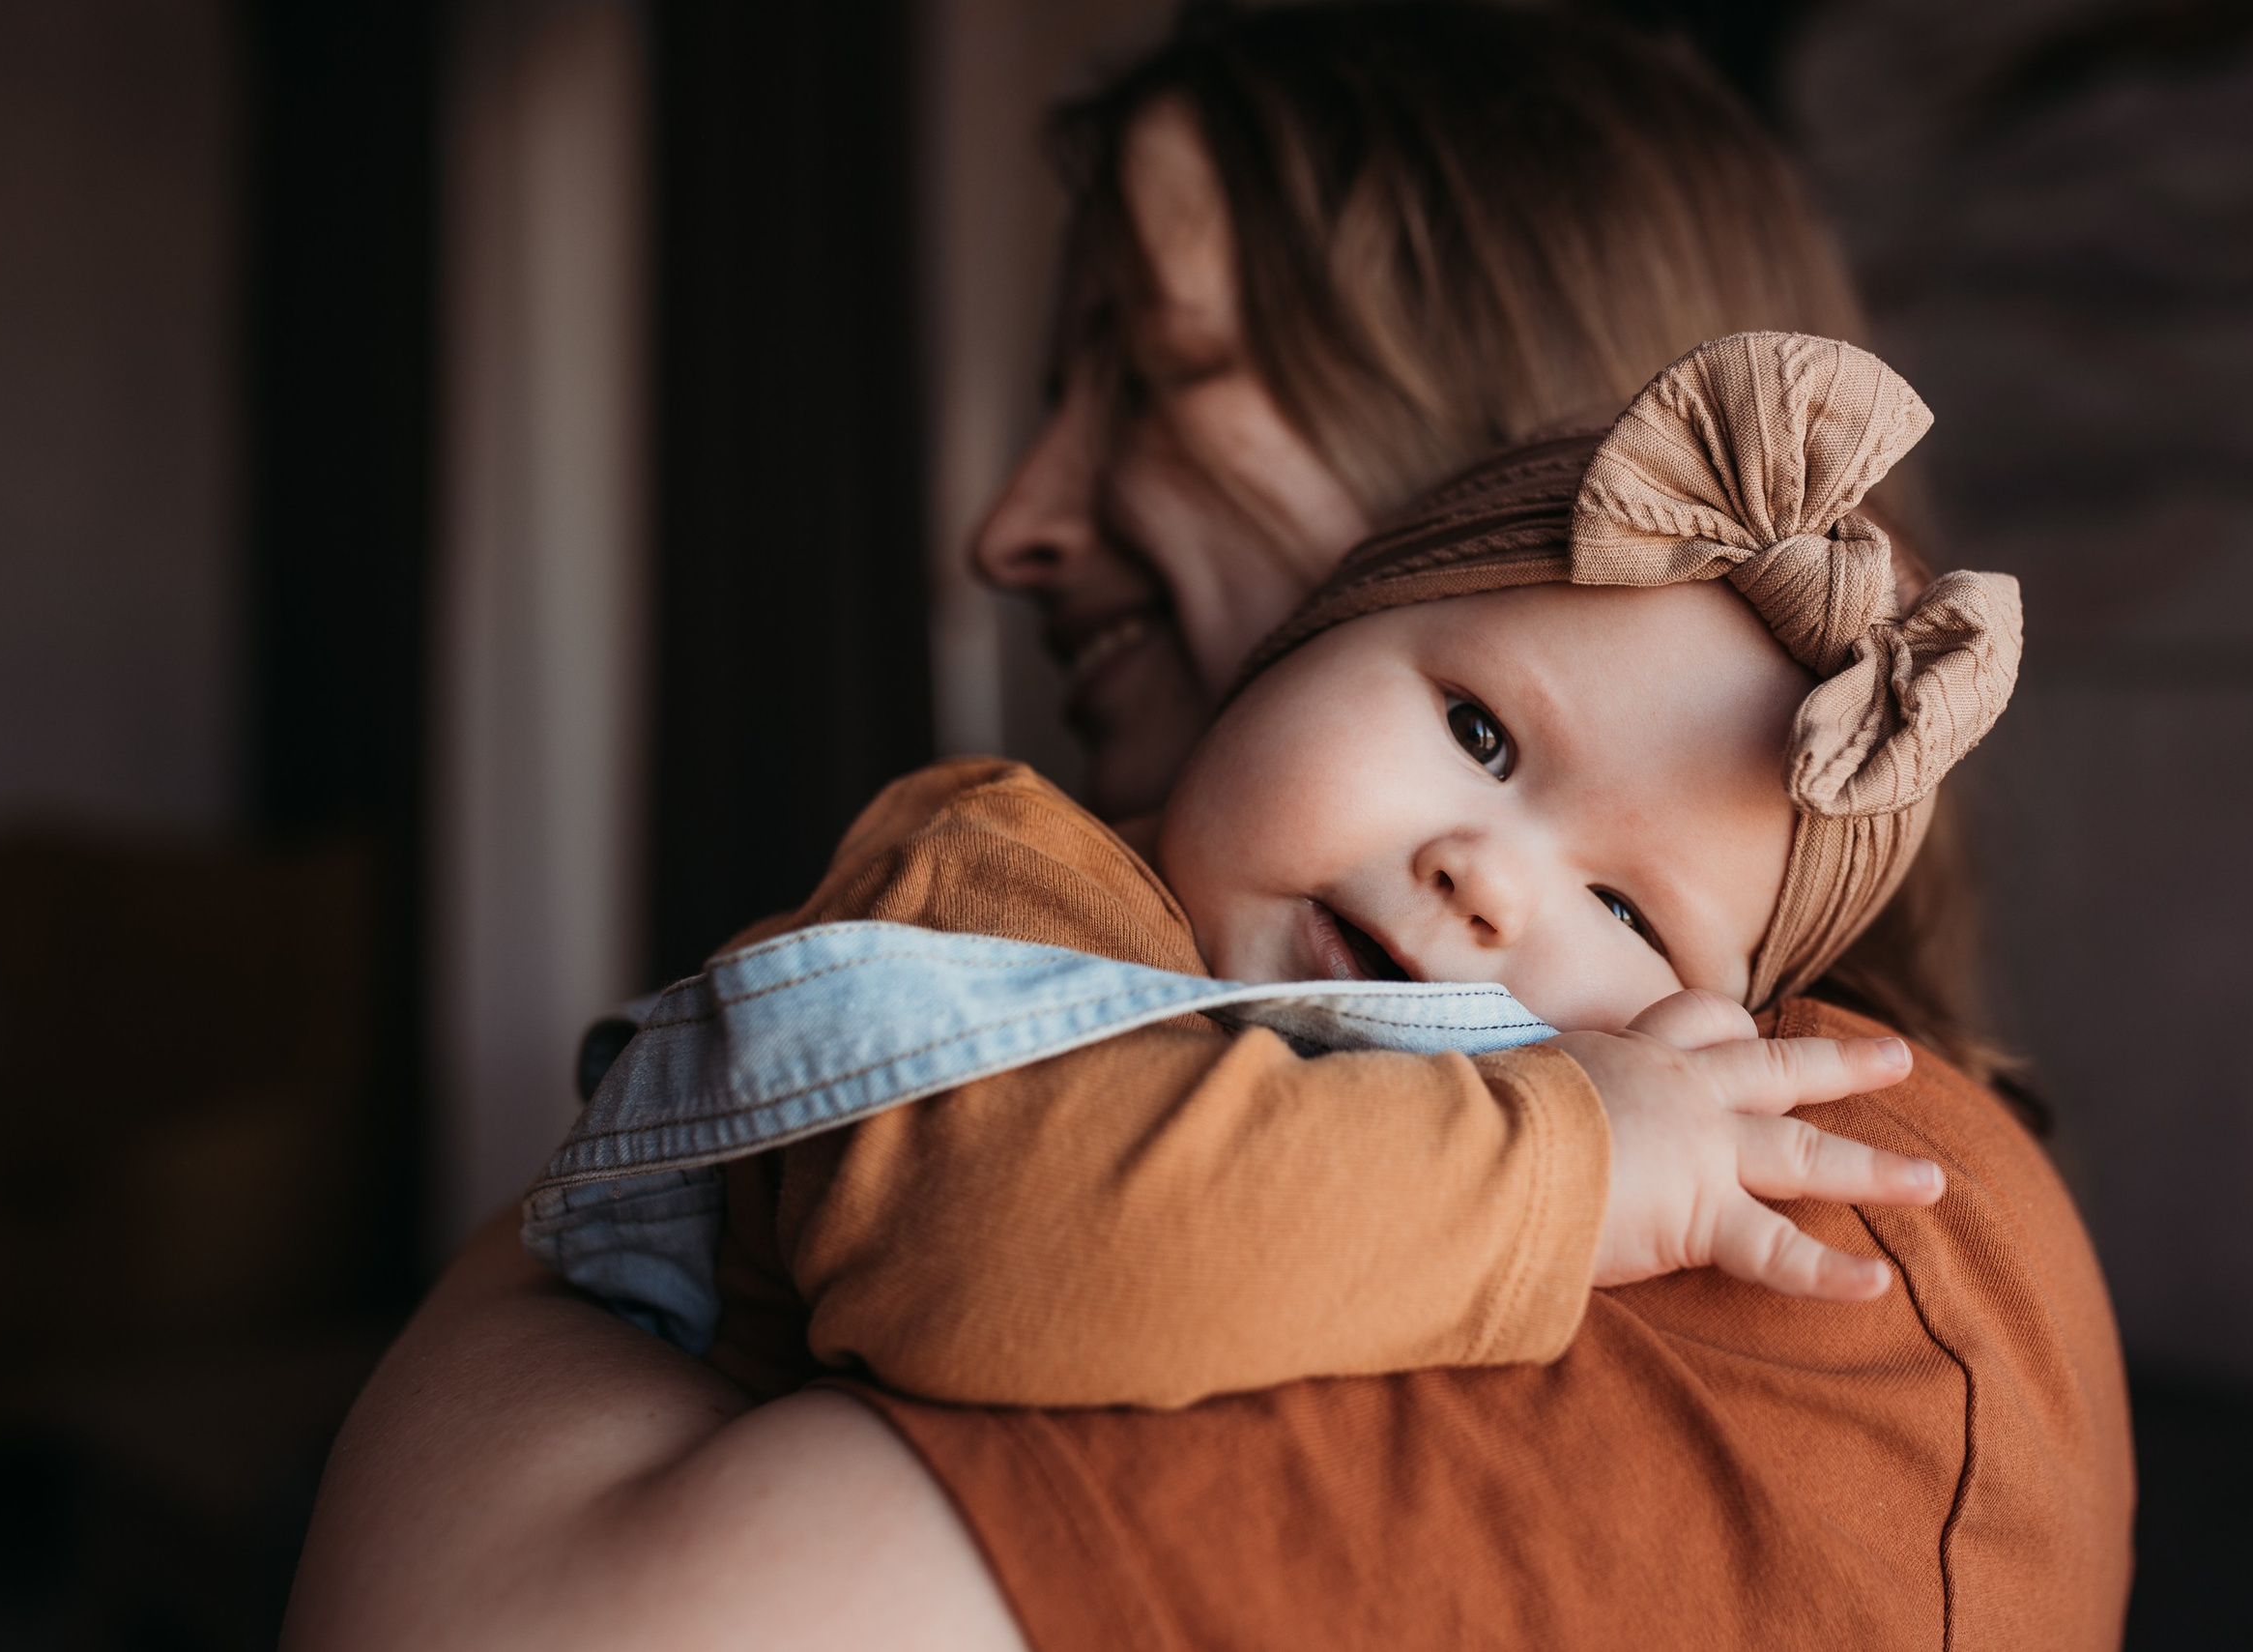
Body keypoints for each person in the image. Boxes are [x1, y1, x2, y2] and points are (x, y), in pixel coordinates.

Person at [283, 9, 2129, 1649]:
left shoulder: (1804, 1195)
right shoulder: (1012, 873)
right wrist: (1562, 1165)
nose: (1003, 529)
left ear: (1501, 413)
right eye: (1475, 731)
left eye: (1148, 373)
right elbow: (1007, 1224)